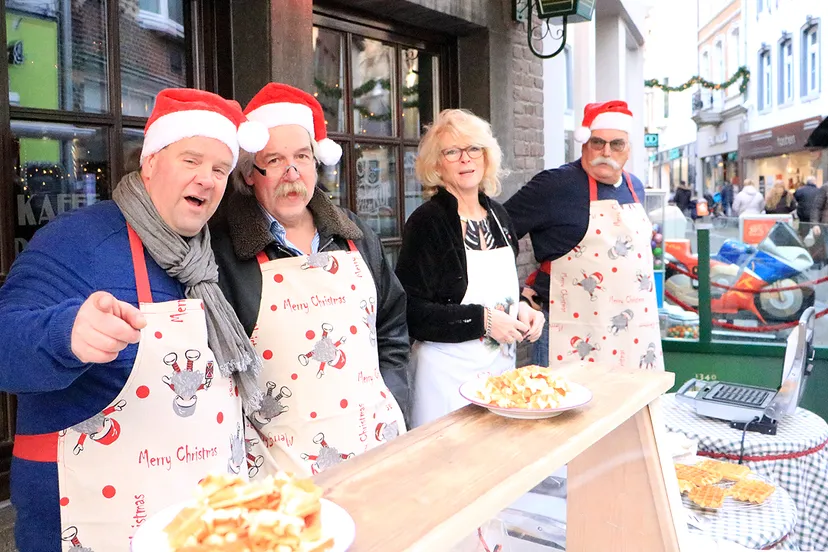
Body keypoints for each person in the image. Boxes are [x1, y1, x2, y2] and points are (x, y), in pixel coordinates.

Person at [0, 89, 269, 552]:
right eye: (191, 160)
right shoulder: (75, 242)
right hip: (93, 523)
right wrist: (67, 335)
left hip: (198, 519)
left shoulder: (210, 258)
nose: (206, 179)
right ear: (149, 164)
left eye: (220, 169)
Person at [210, 83, 409, 477]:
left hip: (377, 447)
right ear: (250, 174)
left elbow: (392, 328)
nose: (292, 173)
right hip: (278, 468)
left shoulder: (354, 234)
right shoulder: (224, 252)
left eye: (302, 157)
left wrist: (395, 398)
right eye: (276, 160)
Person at [394, 109, 545, 427]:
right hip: (446, 380)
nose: (466, 159)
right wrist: (483, 321)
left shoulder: (499, 217)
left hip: (499, 373)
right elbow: (412, 313)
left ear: (487, 156)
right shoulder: (427, 222)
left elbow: (501, 290)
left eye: (474, 148)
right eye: (452, 151)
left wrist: (522, 308)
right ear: (437, 164)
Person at [504, 100, 663, 371]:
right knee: (565, 410)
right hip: (568, 332)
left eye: (617, 144)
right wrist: (514, 297)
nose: (606, 151)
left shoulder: (634, 185)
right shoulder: (555, 184)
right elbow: (498, 232)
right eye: (598, 142)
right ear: (584, 144)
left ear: (628, 149)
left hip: (633, 334)